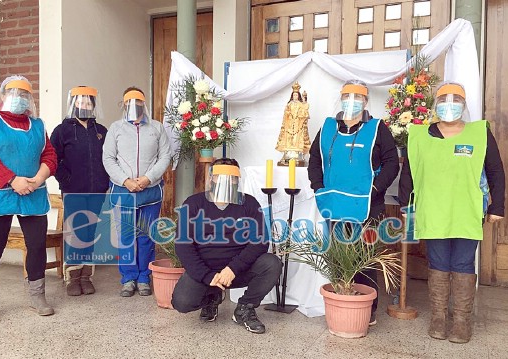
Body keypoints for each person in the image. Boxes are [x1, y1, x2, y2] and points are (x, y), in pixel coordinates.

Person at [399, 82, 505, 344]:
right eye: (444, 100)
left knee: (462, 264)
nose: (450, 105)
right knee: (438, 263)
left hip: (467, 210)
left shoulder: (479, 133)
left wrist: (497, 206)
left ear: (464, 105)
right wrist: (405, 207)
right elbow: (409, 174)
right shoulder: (420, 135)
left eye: (456, 99)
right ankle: (438, 318)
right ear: (435, 105)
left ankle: (461, 322)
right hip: (433, 210)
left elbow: (495, 171)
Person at [308, 80, 400, 325]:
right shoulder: (328, 127)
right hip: (334, 204)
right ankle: (341, 304)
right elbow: (314, 159)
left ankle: (366, 310)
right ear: (341, 99)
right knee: (338, 257)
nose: (352, 100)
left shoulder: (377, 128)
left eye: (358, 97)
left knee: (365, 260)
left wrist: (376, 188)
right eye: (347, 96)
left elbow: (392, 162)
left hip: (368, 206)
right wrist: (318, 187)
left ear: (366, 101)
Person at [0, 75, 58, 324]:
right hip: (0, 191)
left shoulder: (38, 125)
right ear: (2, 95)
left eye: (24, 94)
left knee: (37, 245)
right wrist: (12, 180)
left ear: (30, 98)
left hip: (33, 191)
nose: (19, 98)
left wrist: (39, 178)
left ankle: (37, 296)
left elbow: (49, 155)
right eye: (13, 92)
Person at [171, 158, 282, 334]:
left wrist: (233, 268)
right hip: (205, 269)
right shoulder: (193, 204)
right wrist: (207, 276)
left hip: (238, 270)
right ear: (210, 179)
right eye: (220, 177)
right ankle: (211, 297)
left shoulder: (250, 203)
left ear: (238, 180)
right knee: (182, 303)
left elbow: (260, 241)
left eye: (232, 178)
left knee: (272, 263)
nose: (226, 182)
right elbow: (183, 246)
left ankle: (245, 308)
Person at [103, 87, 171, 297]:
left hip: (150, 192)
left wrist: (148, 178)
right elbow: (108, 158)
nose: (134, 105)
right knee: (126, 237)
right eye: (130, 102)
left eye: (138, 101)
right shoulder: (115, 128)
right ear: (124, 105)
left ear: (144, 103)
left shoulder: (157, 128)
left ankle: (143, 278)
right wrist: (125, 180)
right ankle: (128, 278)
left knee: (146, 237)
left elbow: (165, 156)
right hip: (124, 191)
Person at [50, 86, 110, 296]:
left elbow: (109, 158)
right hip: (73, 191)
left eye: (88, 103)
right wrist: (66, 179)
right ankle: (72, 277)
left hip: (97, 191)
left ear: (93, 106)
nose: (84, 106)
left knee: (89, 232)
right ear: (73, 104)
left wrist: (106, 181)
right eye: (80, 103)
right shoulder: (62, 130)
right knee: (76, 232)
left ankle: (86, 276)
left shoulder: (101, 131)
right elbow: (52, 158)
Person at [276, 81, 311, 166]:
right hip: (290, 124)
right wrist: (288, 114)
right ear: (292, 96)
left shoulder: (300, 104)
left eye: (296, 95)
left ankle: (298, 154)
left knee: (297, 139)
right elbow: (285, 114)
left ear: (298, 96)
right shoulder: (289, 104)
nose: (295, 96)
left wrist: (304, 101)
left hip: (298, 125)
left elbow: (304, 112)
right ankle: (288, 154)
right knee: (288, 139)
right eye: (294, 95)